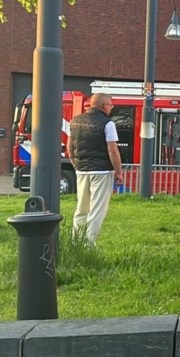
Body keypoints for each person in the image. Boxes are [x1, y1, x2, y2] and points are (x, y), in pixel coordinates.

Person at [66, 93, 124, 244]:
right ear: (104, 105)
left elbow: (70, 146)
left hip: (81, 170)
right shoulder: (107, 124)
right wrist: (118, 172)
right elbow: (113, 150)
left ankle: (76, 243)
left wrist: (75, 164)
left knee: (81, 209)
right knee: (97, 210)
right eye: (111, 105)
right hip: (102, 171)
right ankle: (88, 245)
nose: (111, 108)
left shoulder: (75, 121)